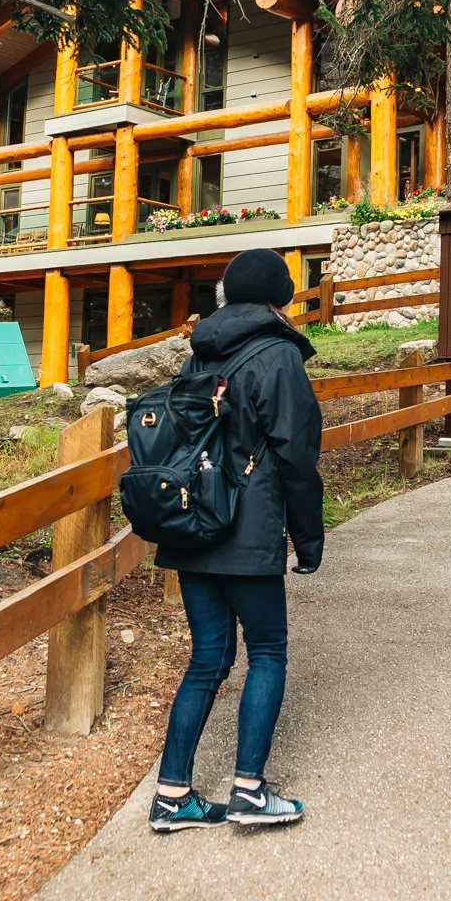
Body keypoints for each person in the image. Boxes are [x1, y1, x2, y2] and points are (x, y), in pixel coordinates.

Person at [148, 249, 325, 832]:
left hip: (194, 523)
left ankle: (172, 796)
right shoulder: (278, 356)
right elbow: (298, 457)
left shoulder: (197, 355)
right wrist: (308, 537)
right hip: (248, 532)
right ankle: (249, 790)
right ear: (280, 296)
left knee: (207, 660)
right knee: (268, 651)